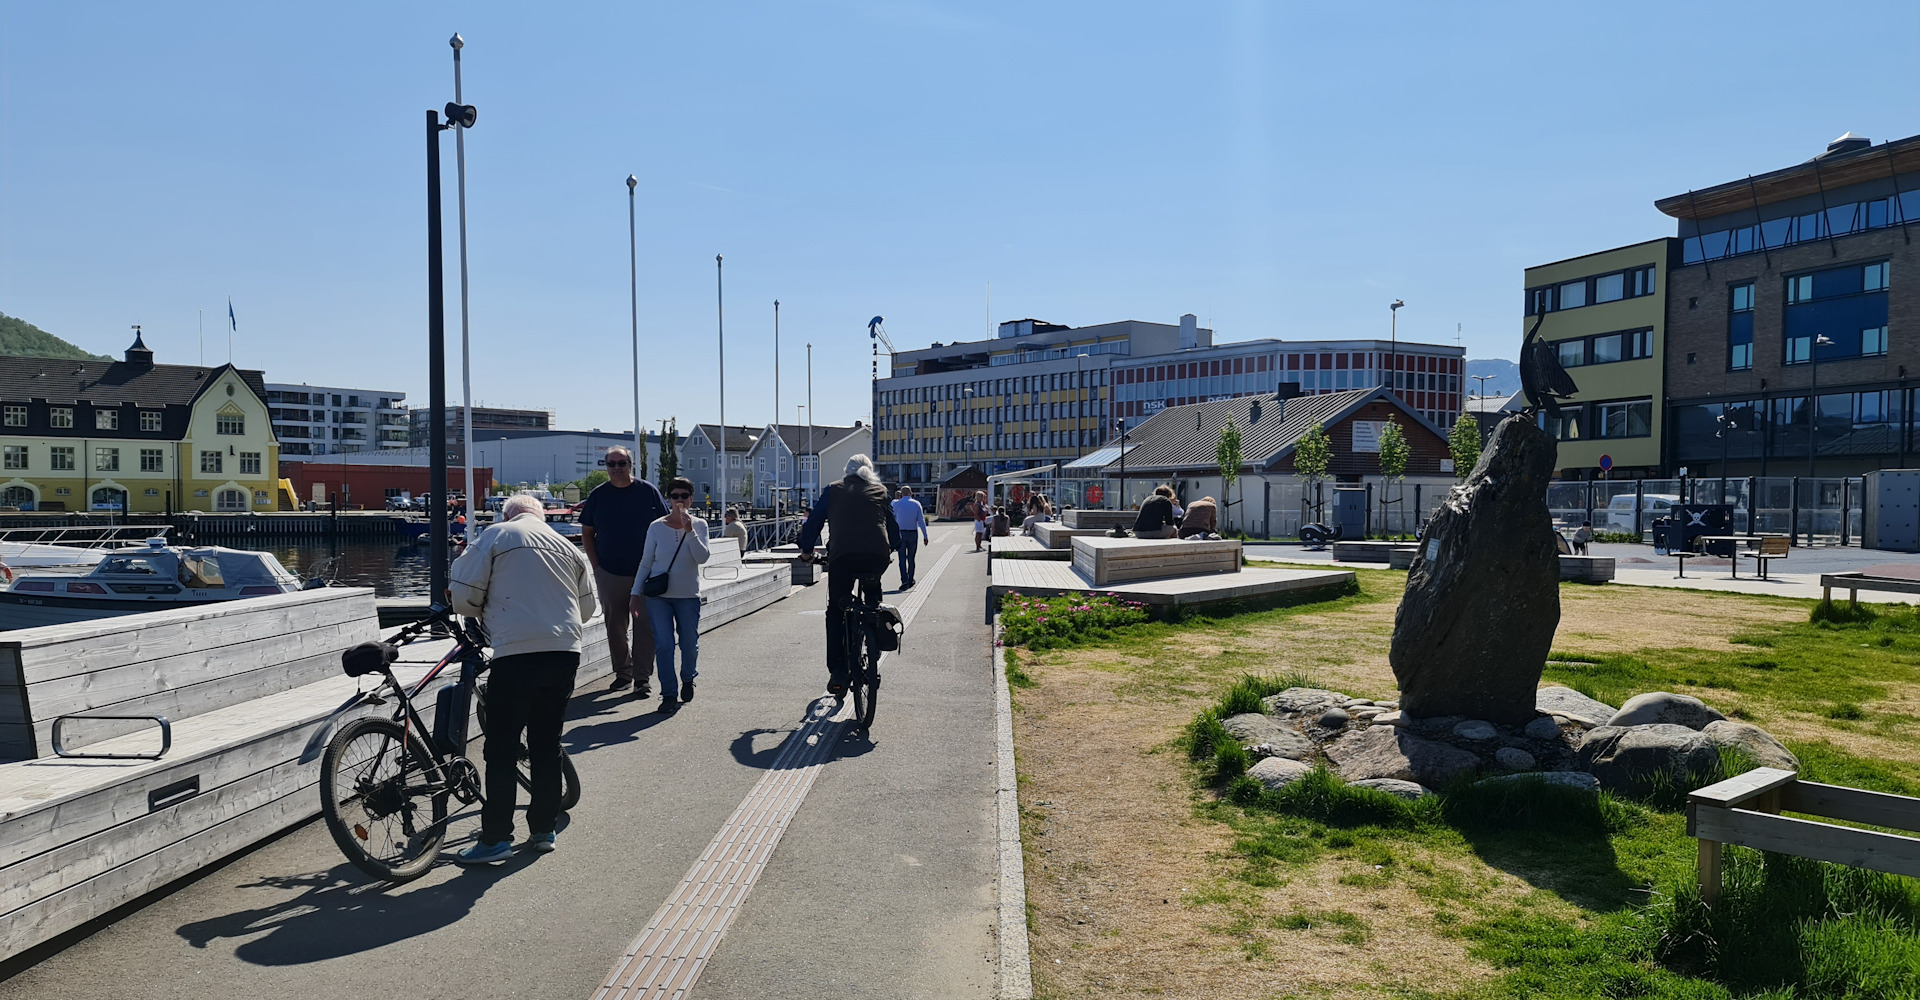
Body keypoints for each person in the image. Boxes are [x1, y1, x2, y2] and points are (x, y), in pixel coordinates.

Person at [450, 494, 598, 863]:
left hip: (516, 652)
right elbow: (588, 607)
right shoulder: (567, 545)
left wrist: (482, 613)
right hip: (564, 651)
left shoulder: (497, 535)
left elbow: (464, 594)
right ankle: (543, 829)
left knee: (500, 748)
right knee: (546, 743)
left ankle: (496, 838)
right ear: (541, 515)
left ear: (508, 514)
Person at [796, 454, 901, 697]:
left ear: (847, 471)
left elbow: (813, 523)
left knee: (836, 611)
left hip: (842, 558)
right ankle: (873, 644)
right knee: (872, 598)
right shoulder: (881, 491)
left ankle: (838, 674)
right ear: (870, 472)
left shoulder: (833, 490)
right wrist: (892, 545)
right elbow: (893, 529)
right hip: (877, 557)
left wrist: (806, 551)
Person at [578, 447, 668, 696]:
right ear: (605, 466)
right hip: (610, 572)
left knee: (645, 626)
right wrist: (596, 567)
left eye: (622, 462)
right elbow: (587, 533)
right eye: (611, 463)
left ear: (630, 464)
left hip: (646, 573)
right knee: (615, 627)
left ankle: (642, 678)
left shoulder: (647, 491)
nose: (616, 467)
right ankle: (623, 673)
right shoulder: (598, 495)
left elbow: (665, 527)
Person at [630, 477, 711, 713]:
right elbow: (646, 563)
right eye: (674, 496)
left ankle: (688, 677)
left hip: (687, 595)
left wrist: (690, 531)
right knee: (664, 644)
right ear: (668, 499)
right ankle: (668, 694)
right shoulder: (656, 527)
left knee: (689, 644)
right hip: (659, 596)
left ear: (691, 499)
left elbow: (702, 557)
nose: (679, 501)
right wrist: (635, 593)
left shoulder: (699, 525)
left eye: (684, 496)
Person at [891, 485, 929, 587]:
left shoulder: (896, 504)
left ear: (901, 494)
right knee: (911, 558)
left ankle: (904, 580)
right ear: (911, 493)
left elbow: (892, 520)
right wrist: (925, 536)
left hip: (900, 533)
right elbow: (921, 521)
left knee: (901, 558)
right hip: (913, 533)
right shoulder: (916, 504)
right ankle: (911, 579)